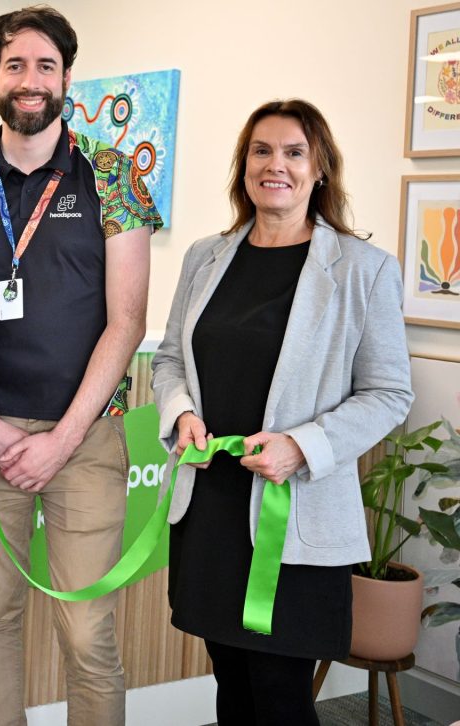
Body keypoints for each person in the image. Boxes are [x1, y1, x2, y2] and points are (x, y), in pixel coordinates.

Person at [151, 99, 413, 725]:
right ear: (243, 166)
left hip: (294, 519)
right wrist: (182, 414)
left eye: (294, 152)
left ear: (320, 167)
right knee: (232, 685)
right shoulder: (205, 257)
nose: (277, 166)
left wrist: (303, 446)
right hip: (210, 507)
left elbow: (389, 393)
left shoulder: (364, 269)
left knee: (280, 695)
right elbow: (169, 361)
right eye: (261, 151)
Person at [0, 7, 162, 725]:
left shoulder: (112, 176)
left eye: (45, 67)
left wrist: (62, 438)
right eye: (15, 66)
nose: (30, 81)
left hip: (88, 440)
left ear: (66, 78)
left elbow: (127, 322)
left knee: (89, 633)